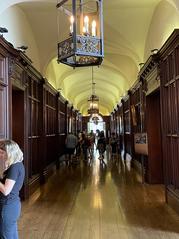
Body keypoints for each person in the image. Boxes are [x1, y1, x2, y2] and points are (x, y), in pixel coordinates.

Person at [0, 139, 25, 239]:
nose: (0, 155)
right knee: (12, 235)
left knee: (5, 236)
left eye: (2, 153)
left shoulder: (14, 167)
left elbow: (6, 191)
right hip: (12, 205)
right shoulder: (18, 165)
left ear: (10, 153)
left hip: (7, 206)